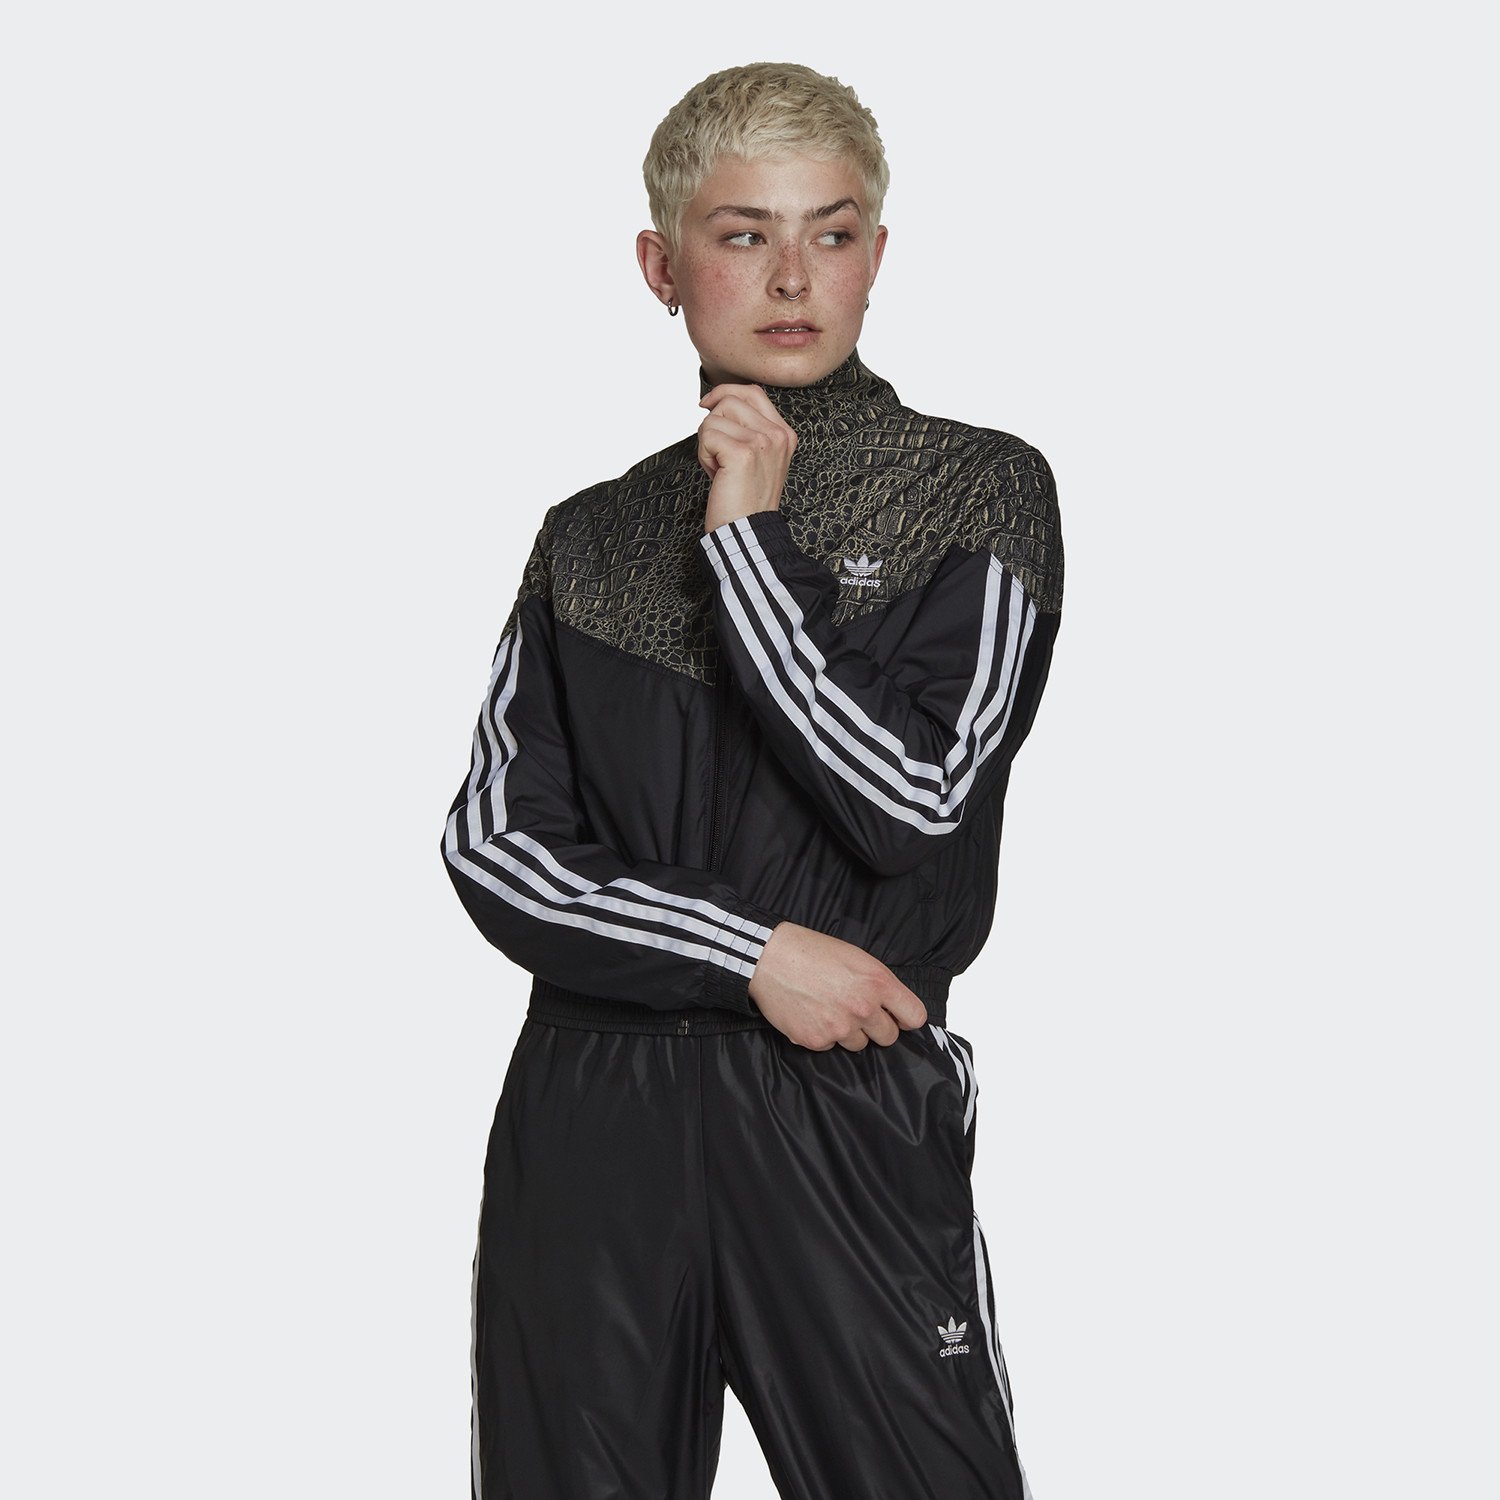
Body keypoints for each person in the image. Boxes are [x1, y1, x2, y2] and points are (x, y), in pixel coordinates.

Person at [441, 60, 1062, 1499]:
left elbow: (911, 801)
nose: (793, 276)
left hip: (841, 1105)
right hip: (591, 1112)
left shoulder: (976, 488)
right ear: (661, 266)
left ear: (876, 256)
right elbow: (498, 848)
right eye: (743, 234)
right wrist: (749, 952)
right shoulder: (589, 535)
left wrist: (747, 548)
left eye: (830, 233)